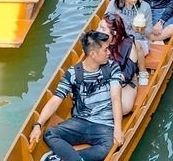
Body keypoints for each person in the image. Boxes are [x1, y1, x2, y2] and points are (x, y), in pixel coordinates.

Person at [29, 31, 124, 161]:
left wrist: (118, 130)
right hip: (80, 122)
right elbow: (56, 99)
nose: (109, 53)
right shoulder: (73, 73)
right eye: (105, 49)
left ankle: (62, 158)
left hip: (104, 125)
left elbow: (116, 98)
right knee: (50, 134)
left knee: (109, 146)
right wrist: (38, 124)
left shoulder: (112, 68)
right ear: (93, 54)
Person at [105, 0, 152, 86]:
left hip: (139, 41)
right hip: (119, 40)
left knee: (135, 44)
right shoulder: (113, 5)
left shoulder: (145, 7)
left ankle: (143, 72)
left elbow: (149, 32)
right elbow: (106, 22)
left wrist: (142, 30)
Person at [97, 14, 140, 115]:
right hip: (102, 81)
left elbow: (128, 74)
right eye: (99, 27)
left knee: (122, 109)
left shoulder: (128, 46)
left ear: (114, 33)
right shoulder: (97, 43)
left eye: (102, 29)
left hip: (124, 83)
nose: (98, 30)